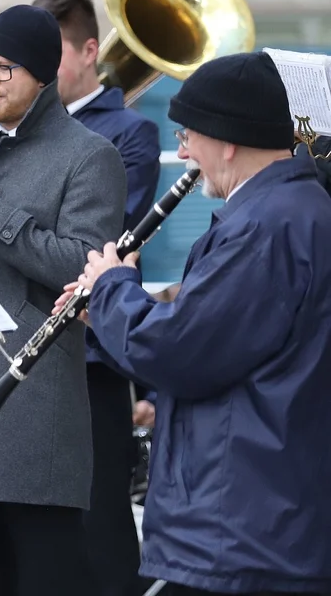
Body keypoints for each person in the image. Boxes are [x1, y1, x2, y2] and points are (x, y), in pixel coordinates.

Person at [59, 51, 331, 595]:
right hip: (257, 515)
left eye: (187, 134)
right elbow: (218, 339)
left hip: (241, 524)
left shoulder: (269, 224)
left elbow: (182, 350)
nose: (181, 151)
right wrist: (106, 317)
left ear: (227, 140)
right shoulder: (289, 210)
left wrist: (113, 286)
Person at [0, 5, 127, 596]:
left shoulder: (88, 154)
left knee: (42, 573)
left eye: (4, 69)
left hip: (33, 397)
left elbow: (84, 265)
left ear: (44, 72)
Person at [33, 0, 161, 596]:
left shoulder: (127, 131)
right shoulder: (23, 128)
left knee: (101, 515)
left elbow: (101, 237)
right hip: (27, 341)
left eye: (51, 52)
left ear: (90, 51)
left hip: (91, 349)